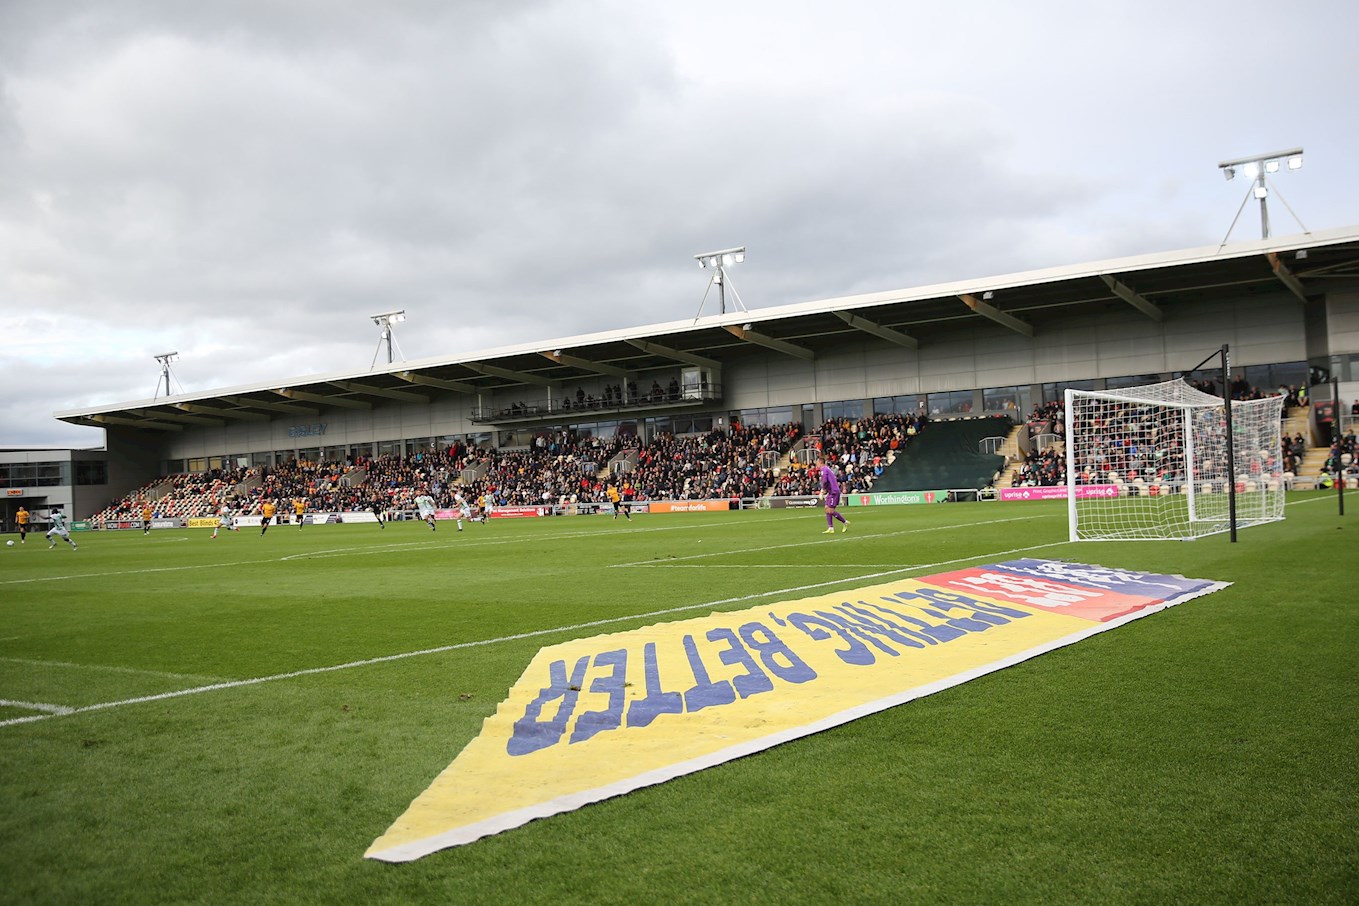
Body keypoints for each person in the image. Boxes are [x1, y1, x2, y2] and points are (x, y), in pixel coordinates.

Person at [814, 455, 850, 534]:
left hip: (833, 492)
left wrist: (822, 490)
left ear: (820, 462)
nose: (816, 464)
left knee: (830, 510)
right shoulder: (827, 469)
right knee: (826, 508)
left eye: (817, 463)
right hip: (831, 491)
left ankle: (844, 522)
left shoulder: (824, 469)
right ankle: (830, 527)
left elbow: (825, 481)